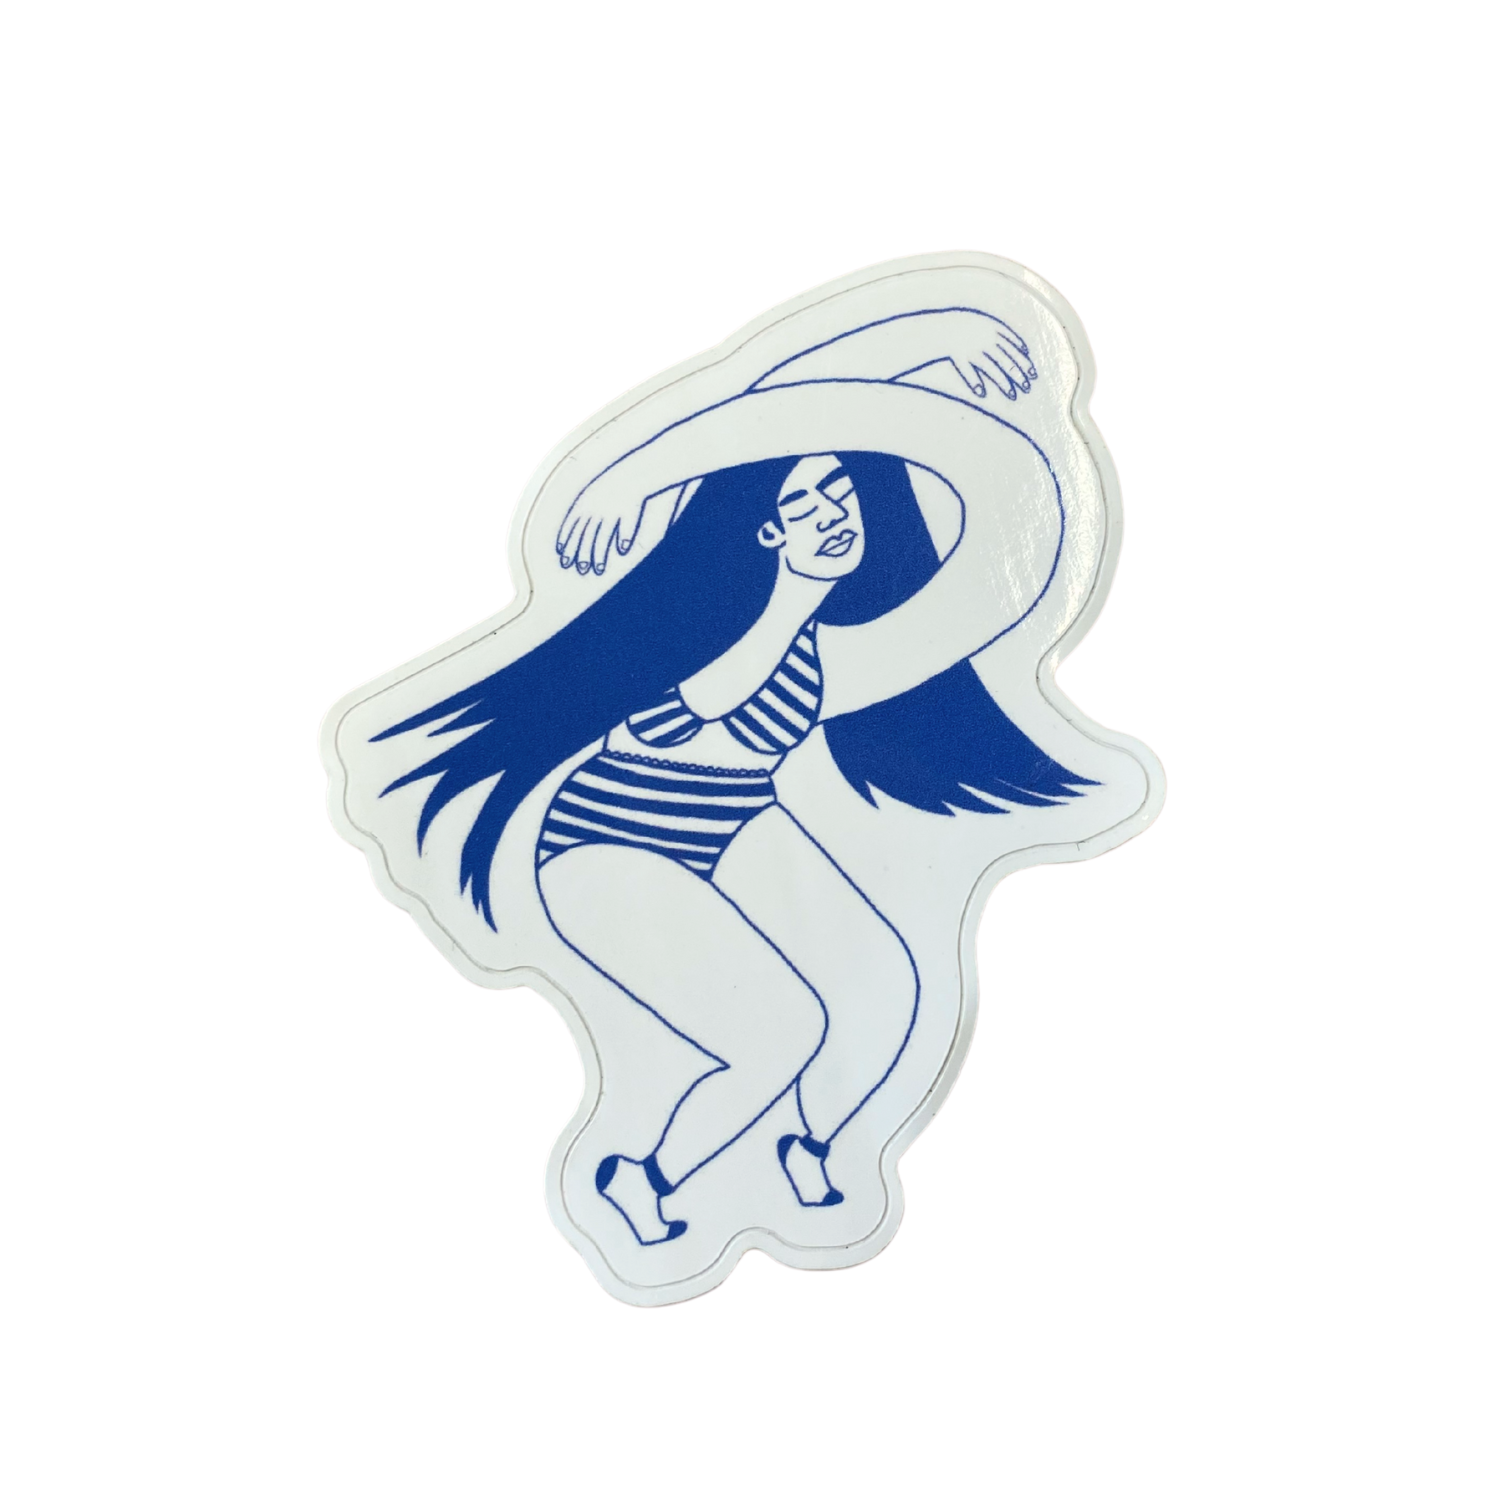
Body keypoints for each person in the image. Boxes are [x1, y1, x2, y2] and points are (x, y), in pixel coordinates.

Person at [372, 311, 1096, 1244]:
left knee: (891, 986)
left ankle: (809, 1142)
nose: (833, 513)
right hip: (605, 846)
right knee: (782, 1032)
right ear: (762, 531)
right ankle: (640, 1178)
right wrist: (651, 483)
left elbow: (975, 533)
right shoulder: (693, 634)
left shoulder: (828, 653)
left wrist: (936, 345)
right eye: (803, 502)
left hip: (730, 821)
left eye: (841, 491)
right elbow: (711, 699)